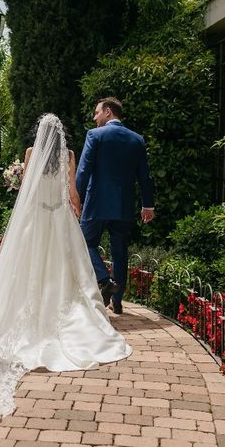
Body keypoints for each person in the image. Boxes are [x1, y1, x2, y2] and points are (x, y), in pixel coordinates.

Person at [0, 113, 132, 429]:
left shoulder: (31, 154)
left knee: (32, 273)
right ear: (60, 136)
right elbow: (74, 195)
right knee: (66, 275)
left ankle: (33, 318)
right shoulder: (70, 155)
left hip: (36, 222)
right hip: (60, 220)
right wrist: (75, 211)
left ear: (40, 133)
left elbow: (26, 191)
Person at [76, 97, 155, 315]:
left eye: (97, 112)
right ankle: (117, 302)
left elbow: (83, 171)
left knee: (83, 242)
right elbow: (144, 177)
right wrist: (147, 205)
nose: (94, 117)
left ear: (108, 112)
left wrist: (76, 198)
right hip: (123, 205)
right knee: (120, 253)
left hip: (96, 203)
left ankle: (104, 279)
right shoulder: (137, 139)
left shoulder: (95, 135)